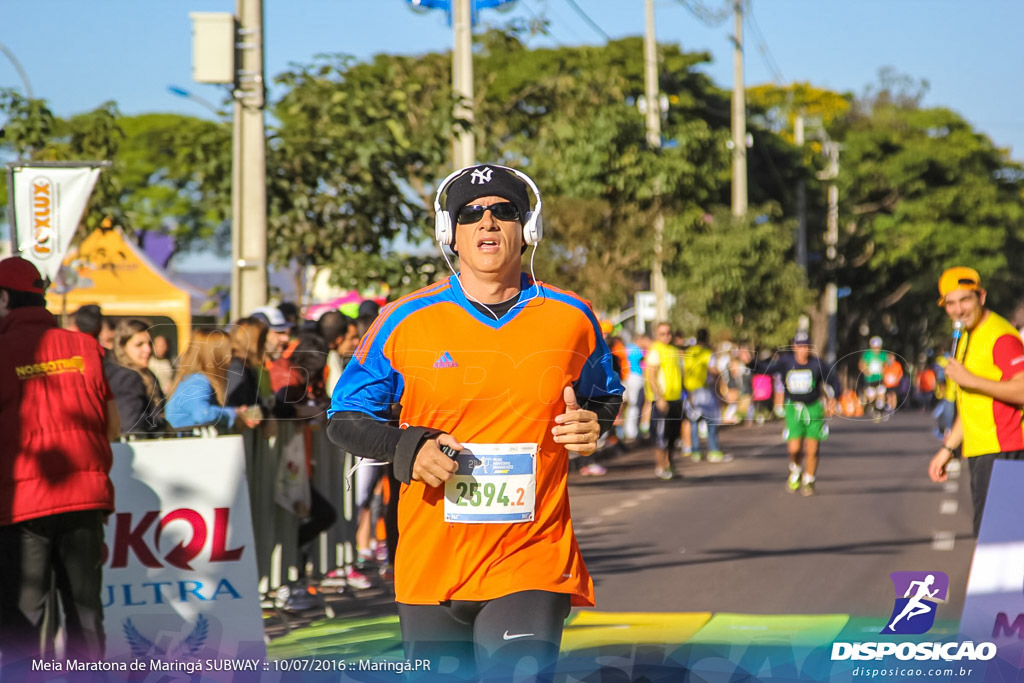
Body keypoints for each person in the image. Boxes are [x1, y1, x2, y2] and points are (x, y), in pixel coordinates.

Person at [326, 163, 623, 680]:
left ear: (527, 230)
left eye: (503, 212)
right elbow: (344, 418)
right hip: (430, 562)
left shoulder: (573, 317)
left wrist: (593, 425)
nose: (487, 223)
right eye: (471, 214)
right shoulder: (404, 320)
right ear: (451, 234)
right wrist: (408, 449)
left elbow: (605, 395)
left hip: (530, 556)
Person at [0, 257, 119, 665]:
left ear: (3, 300)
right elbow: (114, 426)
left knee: (24, 615)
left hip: (22, 503)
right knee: (85, 613)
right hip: (85, 494)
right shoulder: (87, 347)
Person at [927, 267, 1024, 536]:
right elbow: (973, 404)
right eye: (951, 303)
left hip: (1005, 449)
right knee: (992, 538)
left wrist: (971, 380)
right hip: (982, 451)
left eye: (965, 300)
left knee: (998, 540)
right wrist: (948, 448)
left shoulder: (1001, 337)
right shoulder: (967, 335)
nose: (958, 310)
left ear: (981, 297)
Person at [758, 332, 840, 496]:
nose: (802, 350)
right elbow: (765, 370)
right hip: (793, 408)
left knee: (812, 448)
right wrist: (750, 362)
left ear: (809, 348)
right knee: (794, 448)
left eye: (805, 346)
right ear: (794, 347)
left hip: (813, 408)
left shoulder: (817, 364)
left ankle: (809, 480)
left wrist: (834, 398)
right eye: (799, 346)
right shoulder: (785, 363)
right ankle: (795, 470)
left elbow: (834, 381)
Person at [165, 328, 261, 431]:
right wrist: (233, 413)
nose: (231, 358)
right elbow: (202, 414)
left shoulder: (192, 379)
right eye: (229, 352)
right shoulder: (198, 382)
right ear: (216, 355)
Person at [105, 318, 166, 436]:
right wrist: (160, 421)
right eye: (139, 345)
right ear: (122, 346)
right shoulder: (127, 377)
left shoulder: (146, 374)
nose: (147, 350)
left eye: (150, 343)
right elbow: (131, 423)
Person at [645, 322, 685, 480]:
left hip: (676, 399)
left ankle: (670, 464)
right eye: (662, 333)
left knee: (673, 436)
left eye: (668, 333)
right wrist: (659, 398)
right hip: (663, 401)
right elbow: (651, 376)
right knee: (660, 436)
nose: (666, 336)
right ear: (656, 335)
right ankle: (660, 466)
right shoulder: (655, 350)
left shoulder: (675, 350)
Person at [683, 328, 726, 462]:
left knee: (694, 421)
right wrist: (720, 380)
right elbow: (713, 369)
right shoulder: (707, 353)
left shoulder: (689, 352)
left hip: (691, 390)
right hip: (705, 390)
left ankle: (695, 451)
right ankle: (713, 450)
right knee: (711, 420)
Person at [225, 317, 269, 409]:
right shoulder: (236, 369)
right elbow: (235, 406)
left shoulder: (247, 367)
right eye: (263, 340)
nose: (265, 345)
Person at [859, 336, 890, 418]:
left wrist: (884, 370)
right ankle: (874, 408)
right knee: (871, 397)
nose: (876, 349)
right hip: (870, 379)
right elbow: (861, 364)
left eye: (878, 347)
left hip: (879, 378)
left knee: (881, 393)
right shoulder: (867, 354)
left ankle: (879, 411)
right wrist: (865, 371)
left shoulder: (883, 354)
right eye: (875, 347)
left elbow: (886, 364)